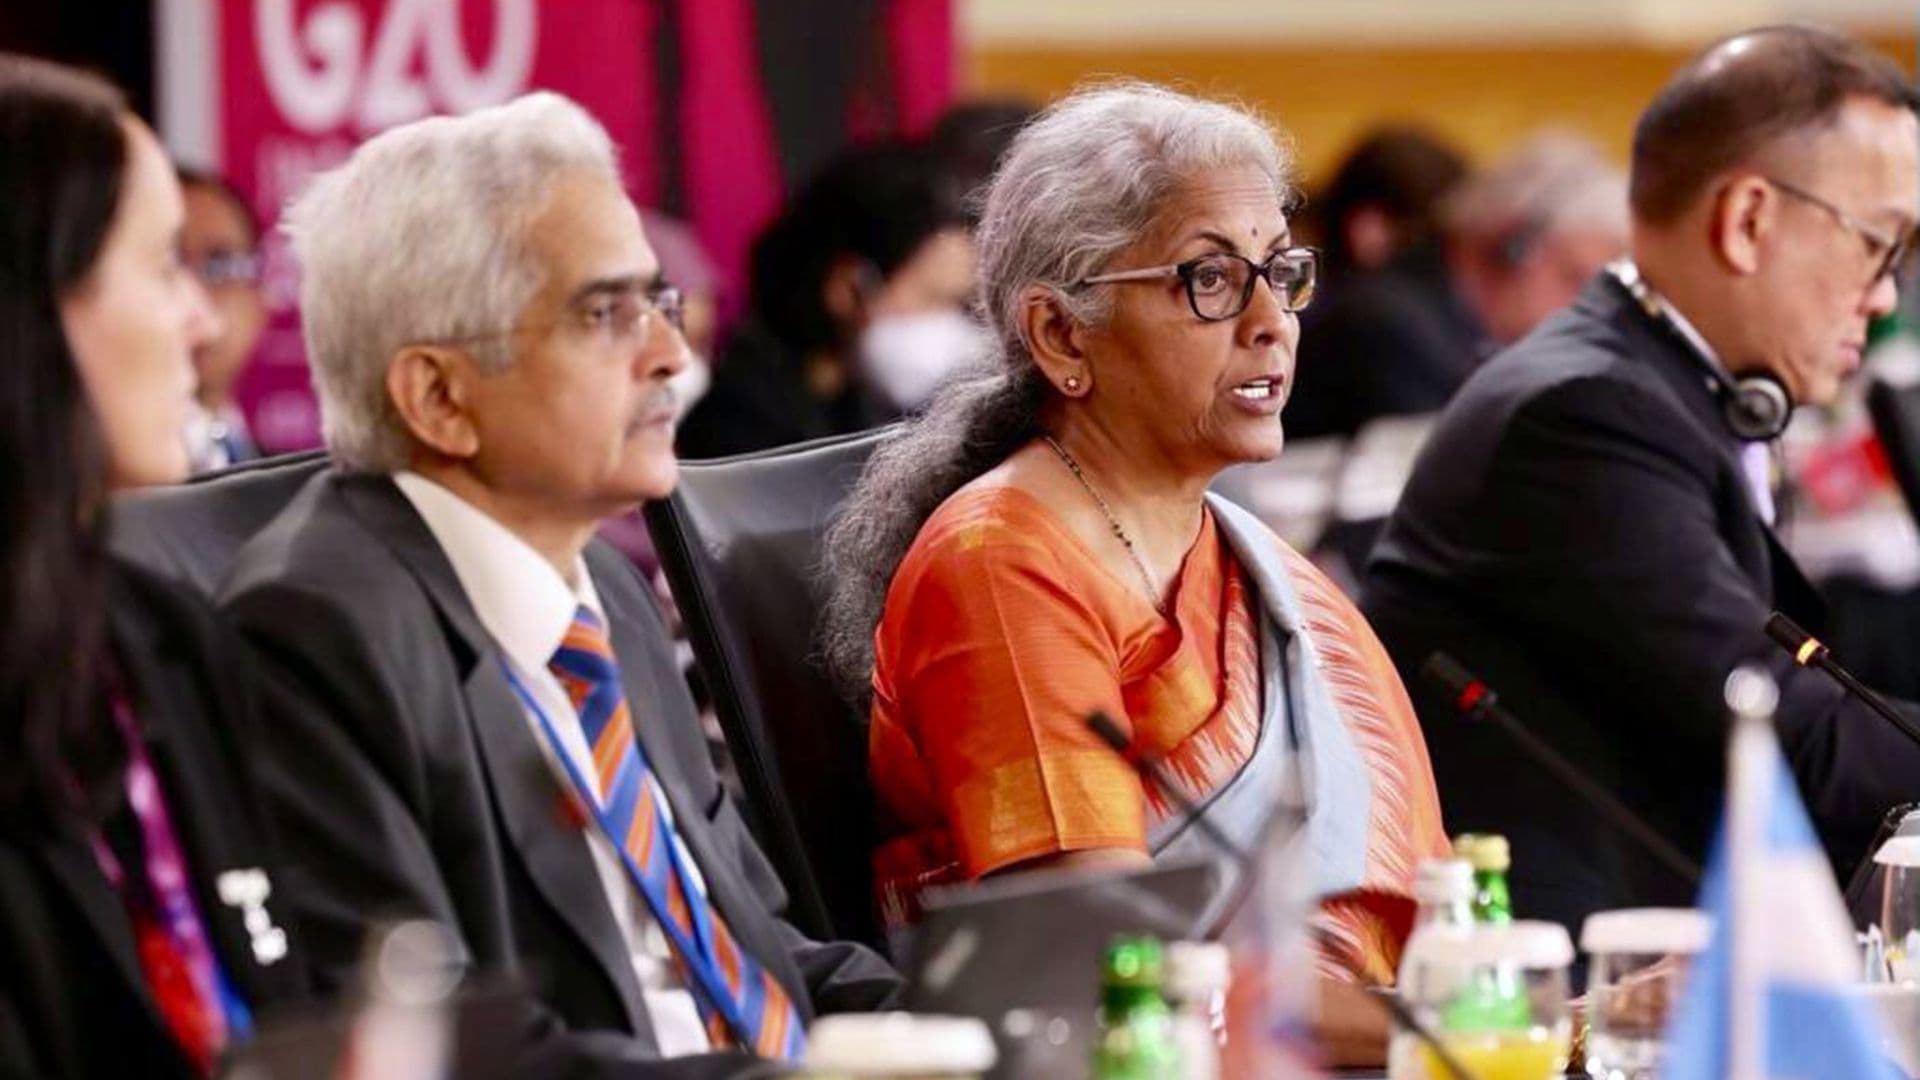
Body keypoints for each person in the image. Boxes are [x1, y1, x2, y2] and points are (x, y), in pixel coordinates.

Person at [218, 92, 896, 1077]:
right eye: (607, 314)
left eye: (659, 304)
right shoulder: (316, 630)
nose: (671, 356)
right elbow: (437, 1048)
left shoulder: (608, 592)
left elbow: (760, 956)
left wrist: (965, 1030)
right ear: (441, 397)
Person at [820, 83, 1450, 1064]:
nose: (1271, 322)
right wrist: (1480, 1023)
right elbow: (1119, 971)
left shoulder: (1258, 566)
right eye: (1208, 279)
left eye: (1280, 272)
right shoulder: (1001, 569)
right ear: (1063, 337)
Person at [1363, 25, 1920, 937]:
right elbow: (1778, 725)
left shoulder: (1661, 382)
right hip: (1569, 1002)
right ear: (1747, 222)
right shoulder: (1581, 413)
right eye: (1878, 244)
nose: (1887, 293)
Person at [0, 55, 305, 1077]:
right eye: (165, 264)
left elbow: (280, 1003)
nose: (203, 320)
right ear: (33, 306)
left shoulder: (164, 636)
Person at [1288, 132, 1627, 440]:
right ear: (1512, 246)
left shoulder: (1455, 328)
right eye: (1574, 277)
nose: (1586, 307)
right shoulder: (1389, 325)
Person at [677, 140, 979, 457]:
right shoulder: (741, 418)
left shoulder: (858, 403)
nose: (945, 324)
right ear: (848, 288)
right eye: (929, 300)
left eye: (958, 307)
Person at [177, 167, 268, 469]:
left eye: (220, 265)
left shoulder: (302, 489)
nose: (195, 298)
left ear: (261, 298)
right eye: (169, 264)